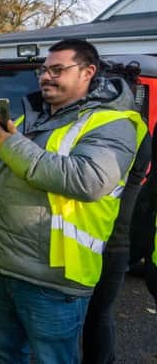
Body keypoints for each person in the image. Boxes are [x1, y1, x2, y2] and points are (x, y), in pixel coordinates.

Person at [0, 39, 145, 363]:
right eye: (43, 70)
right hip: (5, 264)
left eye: (57, 70)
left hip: (55, 278)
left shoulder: (114, 122)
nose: (46, 77)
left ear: (88, 72)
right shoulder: (32, 117)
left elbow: (87, 180)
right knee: (6, 356)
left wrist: (11, 146)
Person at [82, 126, 150, 363]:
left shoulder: (121, 128)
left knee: (96, 316)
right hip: (116, 240)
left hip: (106, 239)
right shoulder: (138, 129)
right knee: (99, 315)